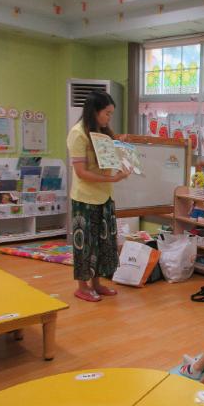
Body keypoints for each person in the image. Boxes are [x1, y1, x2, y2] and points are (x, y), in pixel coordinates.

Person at [67, 90, 130, 302]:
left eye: (111, 114)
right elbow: (81, 172)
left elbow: (108, 159)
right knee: (85, 242)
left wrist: (120, 145)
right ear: (94, 111)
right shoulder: (78, 134)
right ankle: (82, 287)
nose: (109, 118)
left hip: (104, 196)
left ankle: (96, 283)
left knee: (104, 242)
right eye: (107, 113)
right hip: (85, 198)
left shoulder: (102, 133)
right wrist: (113, 179)